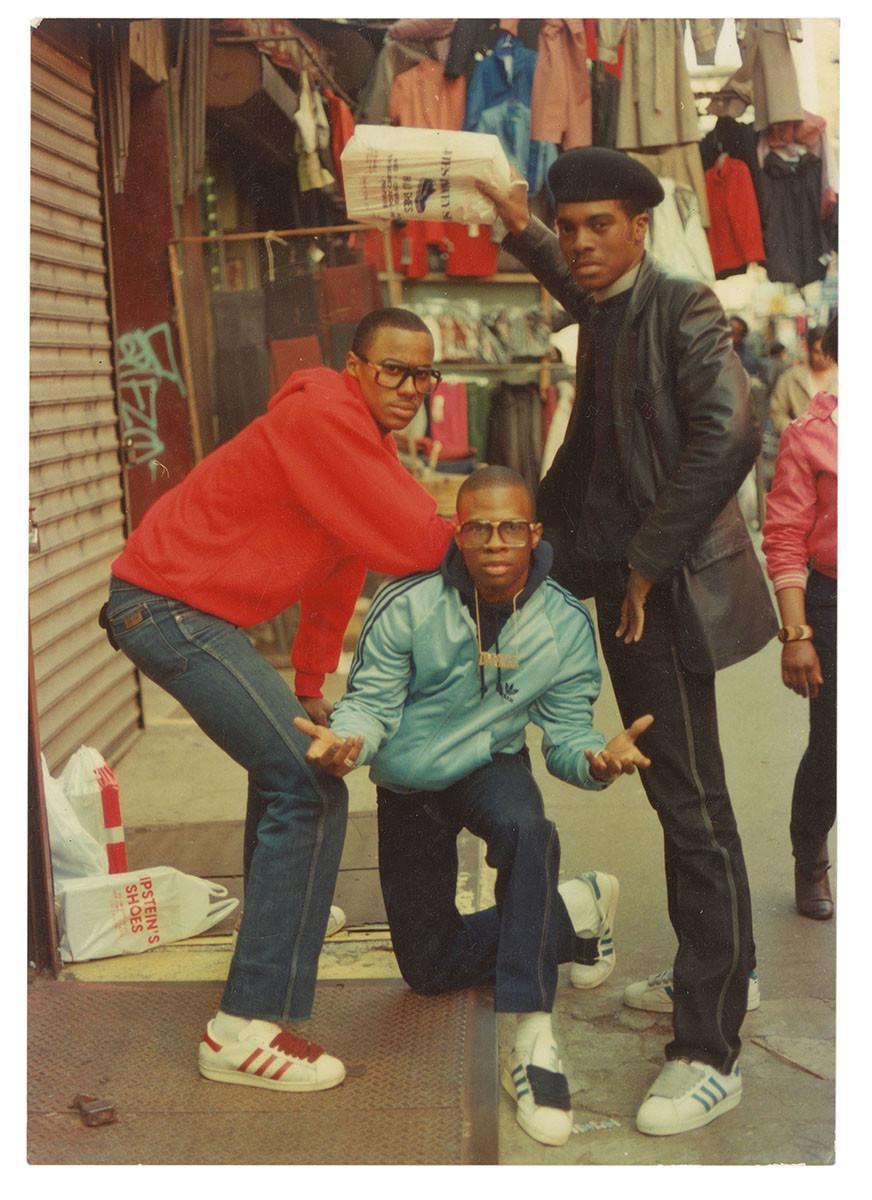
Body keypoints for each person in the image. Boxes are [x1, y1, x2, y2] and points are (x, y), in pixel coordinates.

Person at [479, 147, 777, 1136]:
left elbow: (730, 430)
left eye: (596, 226)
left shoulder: (681, 308)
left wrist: (648, 560)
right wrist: (520, 223)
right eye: (567, 229)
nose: (579, 246)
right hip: (593, 572)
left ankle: (710, 1045)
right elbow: (572, 279)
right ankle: (717, 968)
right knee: (661, 788)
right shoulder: (605, 303)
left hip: (661, 592)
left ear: (639, 226)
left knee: (689, 800)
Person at [99, 307, 456, 1094]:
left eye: (424, 374)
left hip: (187, 611)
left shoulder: (359, 441)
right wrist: (509, 534)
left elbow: (346, 565)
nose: (410, 387)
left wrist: (306, 683)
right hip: (164, 607)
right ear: (356, 367)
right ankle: (241, 1029)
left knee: (290, 768)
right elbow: (415, 540)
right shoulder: (325, 417)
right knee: (308, 783)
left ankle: (280, 917)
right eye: (393, 369)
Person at [296, 466, 651, 1147]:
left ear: (534, 533)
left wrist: (596, 763)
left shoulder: (565, 621)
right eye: (480, 528)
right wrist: (350, 741)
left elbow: (568, 733)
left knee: (528, 829)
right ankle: (574, 909)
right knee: (427, 971)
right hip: (409, 780)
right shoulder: (407, 603)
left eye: (511, 527)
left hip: (492, 763)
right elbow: (370, 702)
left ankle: (534, 1039)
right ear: (458, 535)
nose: (496, 541)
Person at [762, 316, 838, 920]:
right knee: (835, 743)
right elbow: (785, 537)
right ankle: (810, 856)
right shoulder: (812, 434)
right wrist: (797, 634)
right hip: (836, 603)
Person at [769, 325, 837, 434]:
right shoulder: (791, 378)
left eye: (827, 352)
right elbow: (777, 412)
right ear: (809, 350)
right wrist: (796, 432)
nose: (823, 357)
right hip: (799, 444)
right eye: (817, 352)